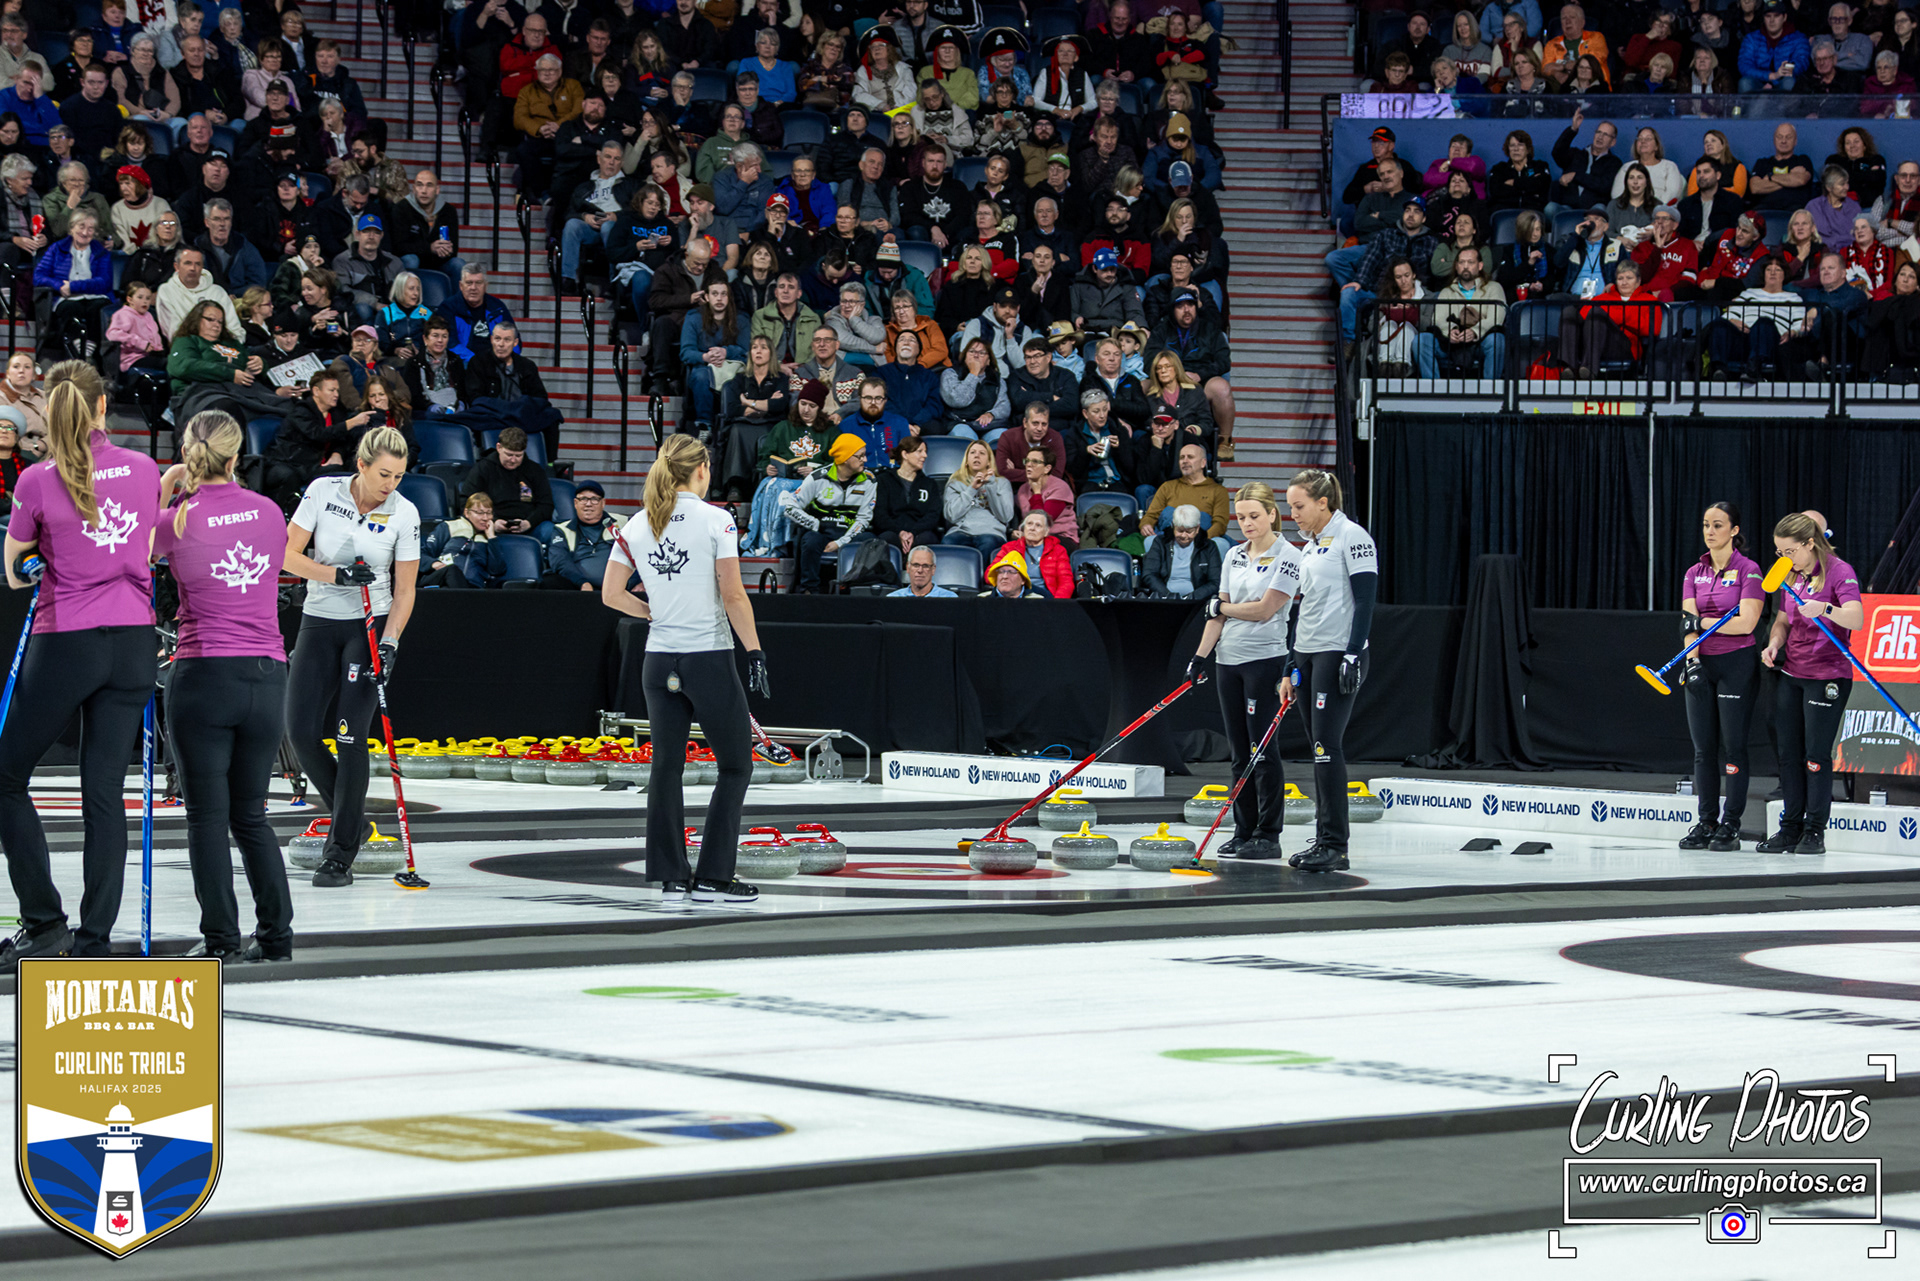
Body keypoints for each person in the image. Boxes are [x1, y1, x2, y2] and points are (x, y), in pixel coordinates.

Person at [0, 362, 160, 964]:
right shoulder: (145, 468)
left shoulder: (37, 479)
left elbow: (15, 570)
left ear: (50, 411)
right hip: (133, 640)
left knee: (6, 777)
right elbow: (147, 546)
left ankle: (45, 924)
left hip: (69, 638)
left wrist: (40, 556)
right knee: (104, 793)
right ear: (102, 407)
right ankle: (93, 940)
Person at [602, 435, 768, 906]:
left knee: (666, 768)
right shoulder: (717, 519)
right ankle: (714, 876)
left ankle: (671, 876)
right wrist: (754, 651)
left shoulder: (637, 522)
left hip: (658, 660)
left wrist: (654, 613)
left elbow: (611, 594)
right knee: (735, 765)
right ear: (702, 469)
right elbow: (733, 594)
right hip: (707, 657)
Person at [154, 411, 292, 961]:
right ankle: (276, 938)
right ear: (236, 457)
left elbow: (135, 551)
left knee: (207, 819)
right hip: (266, 674)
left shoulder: (177, 519)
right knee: (250, 815)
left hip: (205, 672)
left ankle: (221, 941)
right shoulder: (269, 511)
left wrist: (165, 488)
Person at [280, 427, 419, 887]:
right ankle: (352, 820)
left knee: (349, 735)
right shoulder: (324, 491)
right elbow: (286, 556)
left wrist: (391, 642)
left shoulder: (404, 512)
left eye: (398, 476)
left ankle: (339, 853)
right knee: (300, 731)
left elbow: (405, 589)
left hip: (368, 627)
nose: (390, 485)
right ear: (361, 465)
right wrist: (335, 575)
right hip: (320, 620)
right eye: (384, 475)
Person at [1186, 481, 1301, 860]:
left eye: (1254, 516)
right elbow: (1216, 614)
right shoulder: (1234, 554)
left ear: (1272, 514)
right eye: (1241, 517)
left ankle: (1269, 834)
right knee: (1239, 753)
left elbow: (1264, 609)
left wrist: (1221, 607)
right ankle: (1244, 829)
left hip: (1264, 661)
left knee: (1262, 751)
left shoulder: (1288, 555)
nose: (1247, 523)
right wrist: (1200, 657)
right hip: (1228, 661)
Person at [1280, 470, 1378, 873]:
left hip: (1336, 652)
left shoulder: (1352, 536)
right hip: (1307, 653)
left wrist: (1352, 654)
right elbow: (1303, 607)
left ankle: (1335, 845)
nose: (1293, 515)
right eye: (1290, 507)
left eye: (1299, 506)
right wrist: (1290, 663)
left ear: (1323, 503)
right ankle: (1324, 838)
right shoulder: (1310, 545)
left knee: (1326, 747)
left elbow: (1366, 599)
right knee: (1317, 748)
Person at [1759, 511, 1864, 857]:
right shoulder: (1789, 573)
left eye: (1789, 551)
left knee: (1815, 755)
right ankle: (1790, 827)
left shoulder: (1839, 571)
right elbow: (1783, 620)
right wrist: (1774, 644)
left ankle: (1814, 830)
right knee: (1788, 754)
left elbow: (1857, 618)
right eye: (1779, 552)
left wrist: (1826, 609)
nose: (1784, 558)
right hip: (1793, 673)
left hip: (1827, 675)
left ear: (1809, 543)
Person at [1676, 501, 1766, 854]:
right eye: (1705, 524)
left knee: (1734, 747)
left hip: (1736, 664)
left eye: (1717, 525)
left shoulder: (1749, 570)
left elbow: (1746, 623)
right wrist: (1692, 662)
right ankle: (1706, 821)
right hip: (1702, 663)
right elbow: (1687, 625)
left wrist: (1702, 622)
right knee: (1703, 749)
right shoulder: (1693, 572)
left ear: (1734, 530)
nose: (1710, 531)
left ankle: (1731, 824)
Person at [780, 432, 877, 593]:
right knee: (810, 540)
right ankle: (809, 589)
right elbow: (789, 507)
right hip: (822, 531)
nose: (865, 460)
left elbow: (863, 519)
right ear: (845, 458)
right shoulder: (817, 478)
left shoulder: (869, 480)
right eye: (860, 456)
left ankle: (858, 589)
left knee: (871, 542)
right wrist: (815, 524)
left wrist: (840, 543)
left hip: (850, 532)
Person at [942, 438, 1014, 557]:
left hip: (991, 532)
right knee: (948, 543)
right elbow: (951, 516)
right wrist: (971, 489)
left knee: (988, 544)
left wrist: (990, 485)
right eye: (973, 452)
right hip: (960, 532)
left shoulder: (1002, 483)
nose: (977, 456)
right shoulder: (955, 483)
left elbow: (1005, 516)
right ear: (967, 460)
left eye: (982, 453)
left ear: (989, 461)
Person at [873, 432, 942, 556]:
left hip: (920, 532)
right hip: (892, 532)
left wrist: (913, 532)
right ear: (905, 454)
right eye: (920, 451)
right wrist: (900, 532)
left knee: (927, 540)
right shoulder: (884, 480)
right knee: (886, 540)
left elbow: (933, 515)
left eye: (925, 452)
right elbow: (880, 514)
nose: (925, 456)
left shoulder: (930, 484)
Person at [1143, 441, 1229, 538]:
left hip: (1202, 538)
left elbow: (1220, 523)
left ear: (1203, 463)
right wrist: (1146, 525)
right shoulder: (1167, 487)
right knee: (1151, 539)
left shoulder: (1218, 490)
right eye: (1181, 458)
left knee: (1220, 543)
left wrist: (1202, 539)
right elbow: (1151, 515)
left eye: (1190, 457)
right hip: (1169, 538)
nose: (1185, 461)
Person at [1142, 503, 1222, 600]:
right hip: (1164, 599)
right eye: (1180, 531)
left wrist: (1192, 598)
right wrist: (1169, 597)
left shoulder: (1209, 547)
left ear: (1197, 529)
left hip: (1197, 601)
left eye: (1189, 532)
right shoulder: (1160, 543)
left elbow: (1215, 582)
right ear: (1173, 526)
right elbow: (1149, 575)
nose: (1184, 536)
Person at [995, 509, 1073, 599]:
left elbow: (1066, 582)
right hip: (1016, 595)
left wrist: (1056, 603)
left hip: (1045, 598)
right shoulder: (1010, 548)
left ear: (1046, 532)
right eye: (1029, 524)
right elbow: (990, 573)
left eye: (1038, 525)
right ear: (1023, 528)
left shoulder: (1058, 550)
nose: (1032, 528)